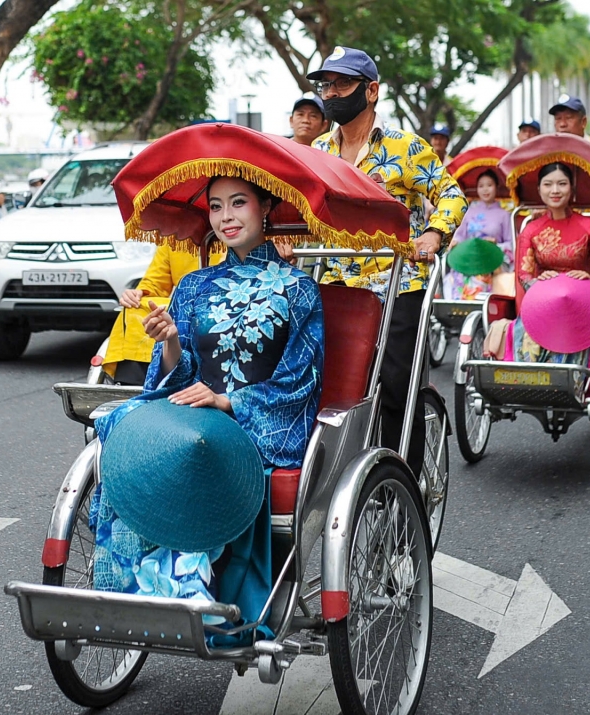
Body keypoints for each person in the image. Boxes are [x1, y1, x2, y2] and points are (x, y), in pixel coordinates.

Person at [90, 175, 324, 634]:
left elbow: (301, 380)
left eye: (238, 203)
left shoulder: (299, 290)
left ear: (266, 208)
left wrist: (226, 401)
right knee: (122, 418)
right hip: (192, 411)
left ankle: (185, 583)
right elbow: (177, 372)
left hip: (250, 422)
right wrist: (172, 339)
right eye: (216, 207)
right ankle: (125, 580)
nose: (226, 217)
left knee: (195, 446)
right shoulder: (194, 285)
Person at [308, 46, 467, 474]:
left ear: (371, 90)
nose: (333, 93)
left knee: (397, 387)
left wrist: (434, 233)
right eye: (326, 85)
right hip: (340, 282)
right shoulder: (318, 149)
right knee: (334, 383)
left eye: (343, 84)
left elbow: (451, 194)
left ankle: (403, 486)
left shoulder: (405, 146)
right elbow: (305, 212)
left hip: (400, 282)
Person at [103, 242, 224, 384]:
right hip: (179, 305)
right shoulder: (175, 238)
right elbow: (154, 282)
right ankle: (132, 383)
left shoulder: (230, 234)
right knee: (134, 308)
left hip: (219, 304)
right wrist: (138, 293)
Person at [515, 163, 590, 292]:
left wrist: (589, 281)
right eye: (547, 184)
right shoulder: (530, 230)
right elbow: (524, 276)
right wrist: (538, 283)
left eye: (562, 184)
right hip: (543, 296)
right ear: (539, 189)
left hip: (582, 293)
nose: (555, 190)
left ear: (572, 188)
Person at [444, 170, 512, 299]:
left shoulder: (504, 215)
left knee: (481, 277)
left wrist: (495, 245)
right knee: (454, 276)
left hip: (490, 260)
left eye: (489, 185)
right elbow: (460, 236)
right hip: (468, 258)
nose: (485, 189)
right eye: (481, 186)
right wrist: (455, 242)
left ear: (497, 188)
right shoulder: (469, 212)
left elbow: (511, 243)